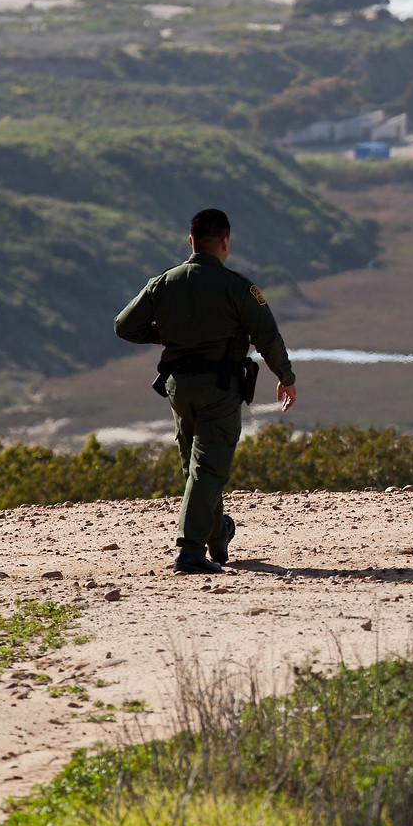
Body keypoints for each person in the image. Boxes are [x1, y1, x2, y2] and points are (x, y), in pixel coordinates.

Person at [114, 208, 296, 575]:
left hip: (179, 388)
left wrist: (166, 335)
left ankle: (217, 534)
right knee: (208, 468)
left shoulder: (164, 283)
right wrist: (286, 376)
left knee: (196, 466)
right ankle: (190, 552)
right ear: (225, 243)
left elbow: (124, 326)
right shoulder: (239, 288)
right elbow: (268, 337)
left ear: (191, 241)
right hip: (221, 388)